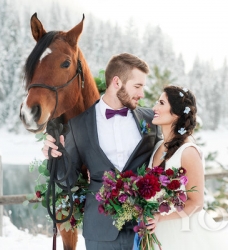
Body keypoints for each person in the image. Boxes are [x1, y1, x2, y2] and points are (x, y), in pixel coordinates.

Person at [42, 53, 162, 250]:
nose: (142, 94)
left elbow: (168, 160)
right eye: (137, 86)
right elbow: (66, 179)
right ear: (117, 82)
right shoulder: (78, 125)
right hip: (100, 230)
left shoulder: (151, 120)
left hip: (145, 228)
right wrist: (54, 156)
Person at [144, 85, 228, 249]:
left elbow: (196, 202)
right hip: (158, 233)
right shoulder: (158, 145)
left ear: (176, 114)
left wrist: (161, 217)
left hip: (182, 233)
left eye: (161, 103)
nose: (154, 107)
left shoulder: (188, 151)